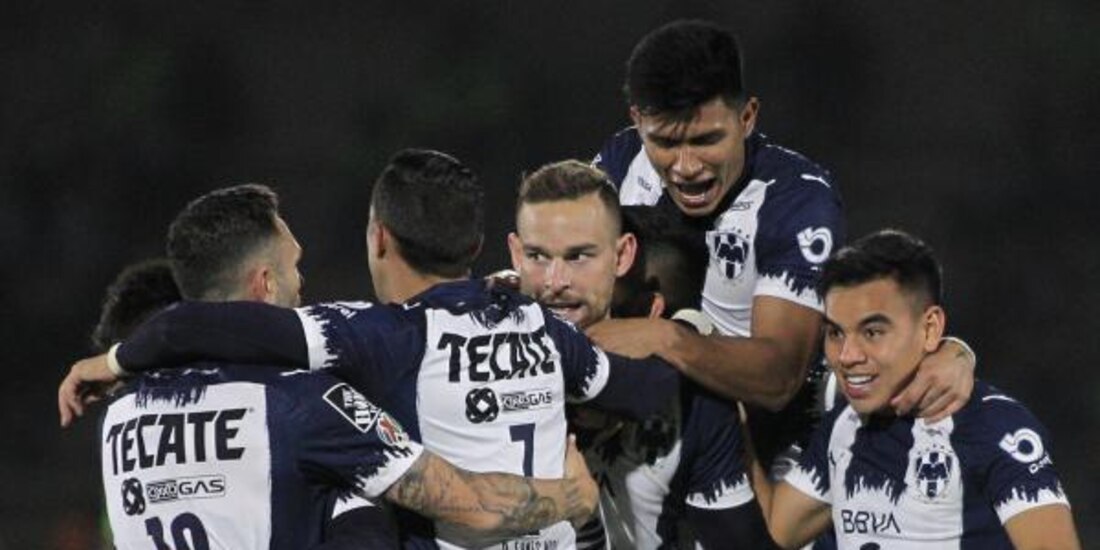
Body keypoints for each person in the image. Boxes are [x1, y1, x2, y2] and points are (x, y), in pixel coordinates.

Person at [60, 152, 680, 549]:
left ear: (380, 237)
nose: (305, 286)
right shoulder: (311, 404)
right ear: (266, 285)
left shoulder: (119, 420)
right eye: (296, 269)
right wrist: (570, 502)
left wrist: (118, 362)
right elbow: (467, 504)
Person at [588, 19, 976, 467]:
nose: (686, 166)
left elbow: (778, 376)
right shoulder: (618, 163)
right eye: (666, 143)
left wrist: (665, 340)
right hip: (638, 446)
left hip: (764, 461)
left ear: (747, 117)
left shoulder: (795, 197)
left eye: (706, 139)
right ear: (638, 121)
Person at [746, 229, 1080, 549]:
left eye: (873, 332)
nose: (847, 357)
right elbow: (778, 530)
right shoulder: (844, 424)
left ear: (930, 328)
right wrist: (726, 409)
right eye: (835, 333)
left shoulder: (994, 426)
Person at [506, 160, 771, 548]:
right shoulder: (459, 361)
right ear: (515, 253)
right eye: (537, 256)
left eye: (579, 256)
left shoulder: (690, 395)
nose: (555, 282)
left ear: (623, 255)